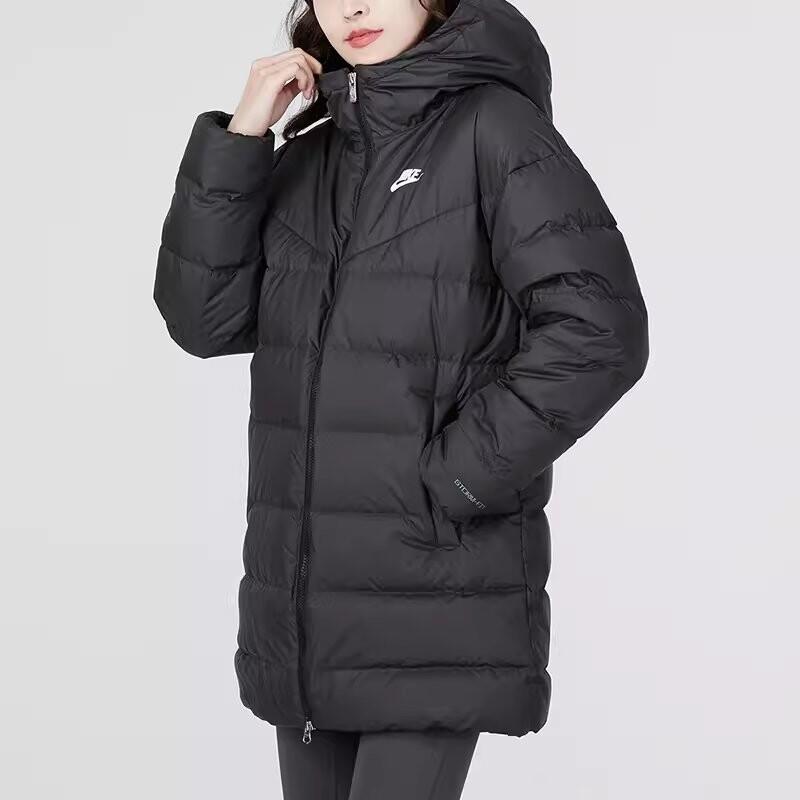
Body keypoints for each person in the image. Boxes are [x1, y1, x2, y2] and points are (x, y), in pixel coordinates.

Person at [152, 0, 649, 796]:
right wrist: (241, 139)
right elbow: (203, 321)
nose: (351, 7)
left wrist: (456, 479)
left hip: (435, 587)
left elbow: (599, 330)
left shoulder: (494, 130)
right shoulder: (311, 149)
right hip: (306, 607)